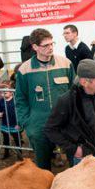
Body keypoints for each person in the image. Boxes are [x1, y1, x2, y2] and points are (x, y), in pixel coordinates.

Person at [15, 28, 75, 170]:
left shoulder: (65, 64)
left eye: (51, 44)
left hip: (66, 123)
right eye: (45, 45)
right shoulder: (25, 70)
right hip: (39, 125)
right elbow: (20, 99)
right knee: (42, 167)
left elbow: (75, 92)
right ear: (35, 47)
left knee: (75, 163)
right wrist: (27, 124)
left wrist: (75, 118)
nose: (50, 48)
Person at [45, 59, 95, 166]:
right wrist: (74, 149)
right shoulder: (67, 100)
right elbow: (50, 129)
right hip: (85, 159)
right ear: (84, 82)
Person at [0, 83, 22, 159]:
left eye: (5, 92)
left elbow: (20, 112)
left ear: (11, 92)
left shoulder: (16, 100)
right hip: (5, 124)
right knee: (6, 140)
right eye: (1, 93)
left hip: (15, 124)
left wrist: (19, 123)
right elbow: (0, 112)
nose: (3, 94)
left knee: (17, 139)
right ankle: (6, 153)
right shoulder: (0, 101)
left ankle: (19, 155)